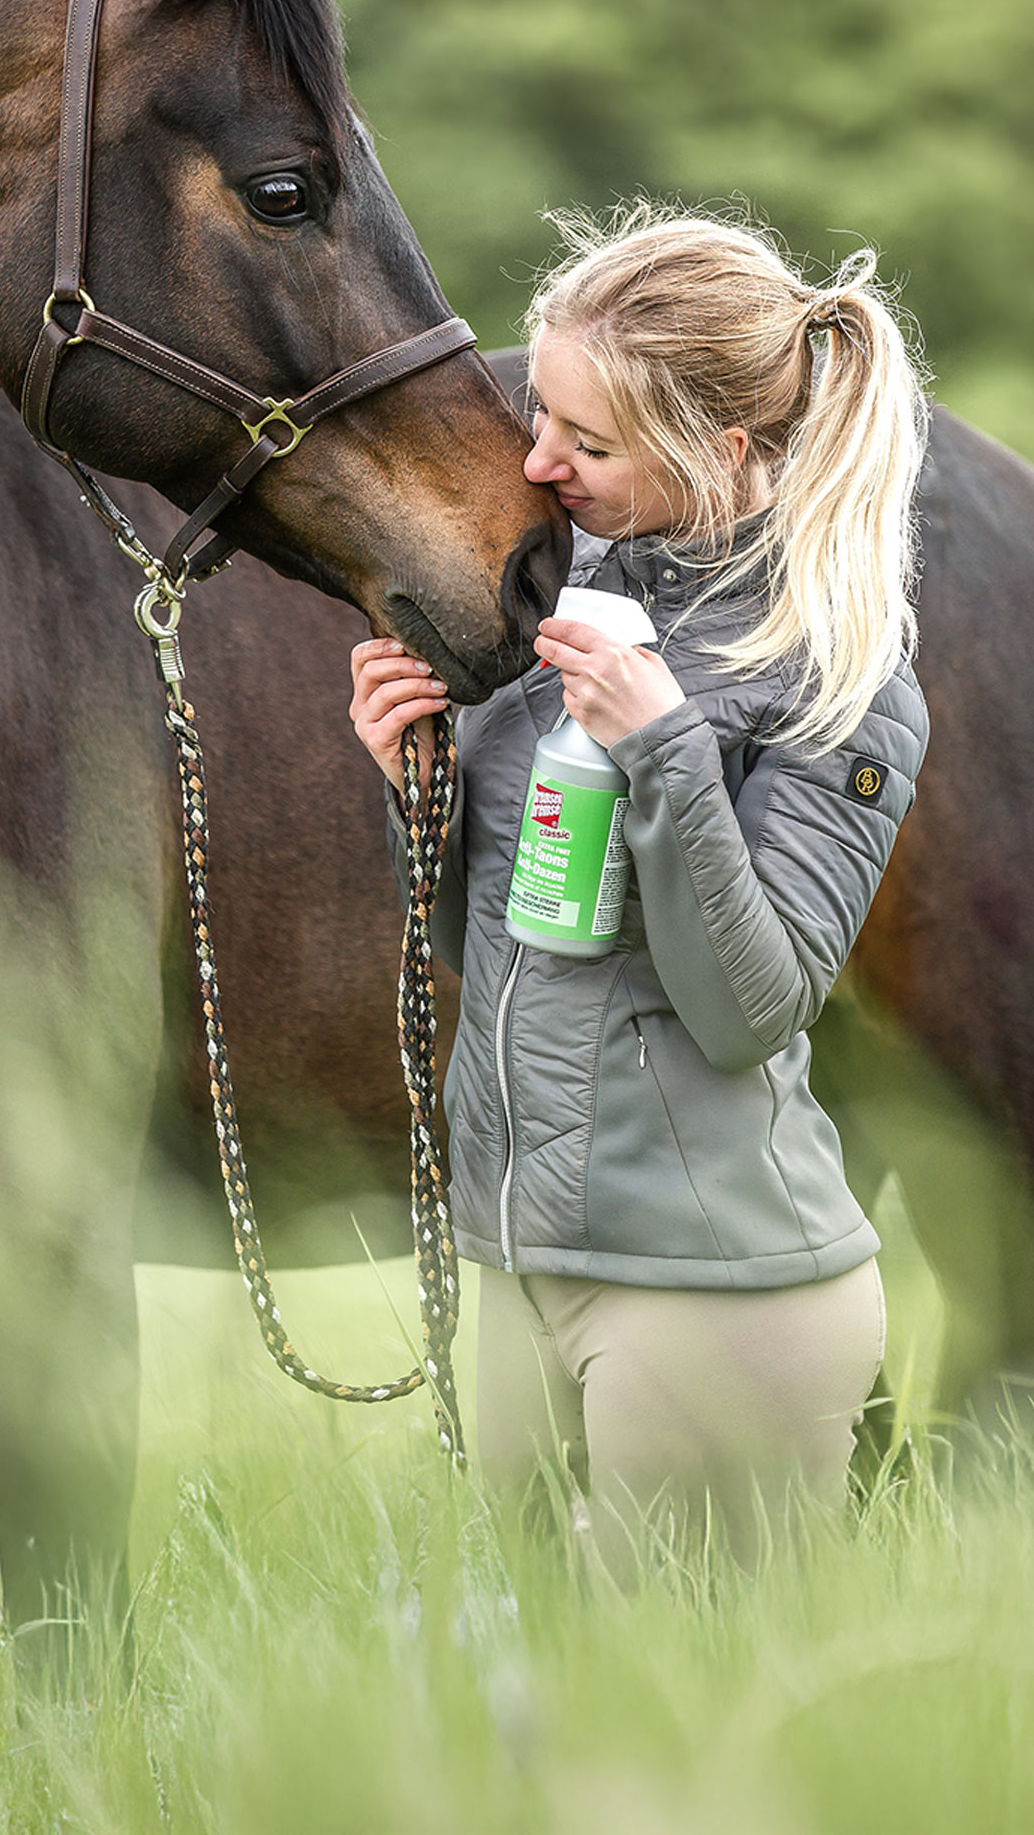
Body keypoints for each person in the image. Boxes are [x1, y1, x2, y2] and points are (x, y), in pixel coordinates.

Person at [350, 203, 930, 1568]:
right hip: (525, 1260)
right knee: (532, 1726)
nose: (539, 465)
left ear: (718, 450)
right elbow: (484, 941)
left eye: (588, 442)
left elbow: (751, 1011)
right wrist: (413, 786)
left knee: (684, 1745)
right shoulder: (557, 612)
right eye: (536, 417)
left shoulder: (837, 679)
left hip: (716, 1285)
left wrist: (662, 748)